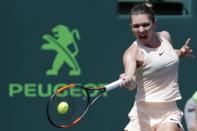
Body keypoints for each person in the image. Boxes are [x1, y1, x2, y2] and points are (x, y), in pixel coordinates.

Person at [119, 3, 194, 131]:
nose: (141, 30)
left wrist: (180, 53)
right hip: (141, 115)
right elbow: (131, 83)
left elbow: (166, 57)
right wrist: (128, 81)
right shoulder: (131, 53)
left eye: (145, 24)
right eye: (136, 26)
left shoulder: (165, 36)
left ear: (154, 24)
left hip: (168, 112)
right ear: (131, 27)